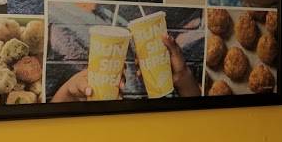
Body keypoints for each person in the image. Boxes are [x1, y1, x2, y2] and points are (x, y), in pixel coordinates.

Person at [52, 34, 201, 101]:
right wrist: (66, 94)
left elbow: (199, 126)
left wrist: (182, 76)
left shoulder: (105, 13)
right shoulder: (60, 33)